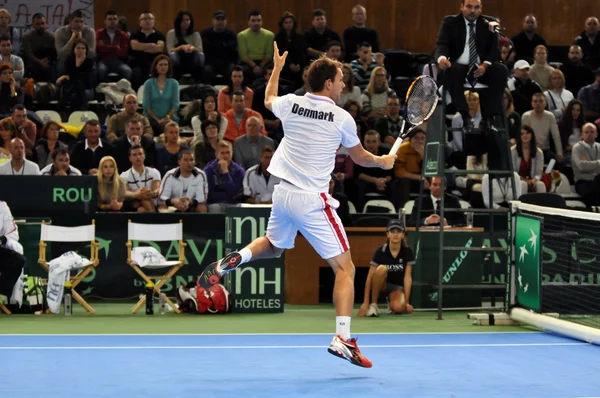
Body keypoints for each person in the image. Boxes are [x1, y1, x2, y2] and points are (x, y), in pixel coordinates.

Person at [197, 43, 396, 368]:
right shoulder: (342, 116)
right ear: (328, 83)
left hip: (283, 193)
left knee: (274, 246)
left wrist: (275, 68)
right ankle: (343, 338)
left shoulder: (291, 104)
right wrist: (384, 161)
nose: (344, 84)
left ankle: (229, 263)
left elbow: (268, 99)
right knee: (345, 269)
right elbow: (361, 158)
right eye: (340, 79)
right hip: (312, 199)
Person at [435, 0, 508, 130]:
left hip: (481, 68)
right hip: (458, 67)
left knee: (501, 70)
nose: (472, 11)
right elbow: (442, 44)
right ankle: (465, 116)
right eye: (469, 7)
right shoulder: (449, 22)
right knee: (451, 70)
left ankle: (489, 118)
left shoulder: (490, 23)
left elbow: (494, 49)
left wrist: (485, 66)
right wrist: (442, 58)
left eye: (476, 7)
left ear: (481, 8)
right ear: (461, 7)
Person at [358, 219, 414, 317]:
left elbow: (407, 278)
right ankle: (374, 305)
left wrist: (406, 302)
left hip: (396, 288)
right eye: (392, 231)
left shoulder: (408, 252)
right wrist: (365, 302)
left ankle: (391, 303)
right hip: (381, 284)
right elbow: (370, 277)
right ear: (387, 234)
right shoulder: (380, 251)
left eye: (398, 232)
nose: (395, 235)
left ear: (403, 234)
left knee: (399, 308)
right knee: (381, 269)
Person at [120, 145, 161, 213]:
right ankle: (153, 218)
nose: (138, 157)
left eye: (140, 154)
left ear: (144, 156)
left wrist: (151, 193)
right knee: (142, 198)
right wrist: (137, 194)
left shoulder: (154, 172)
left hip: (151, 202)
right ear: (130, 158)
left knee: (142, 208)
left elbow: (157, 189)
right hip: (134, 204)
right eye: (134, 155)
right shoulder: (124, 175)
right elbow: (125, 193)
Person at [167, 10, 204, 80]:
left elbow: (200, 49)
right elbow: (170, 50)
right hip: (178, 59)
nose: (186, 22)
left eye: (188, 20)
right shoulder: (171, 33)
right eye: (183, 20)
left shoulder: (195, 34)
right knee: (173, 55)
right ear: (178, 21)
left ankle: (198, 80)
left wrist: (192, 48)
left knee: (200, 55)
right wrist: (181, 47)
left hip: (191, 58)